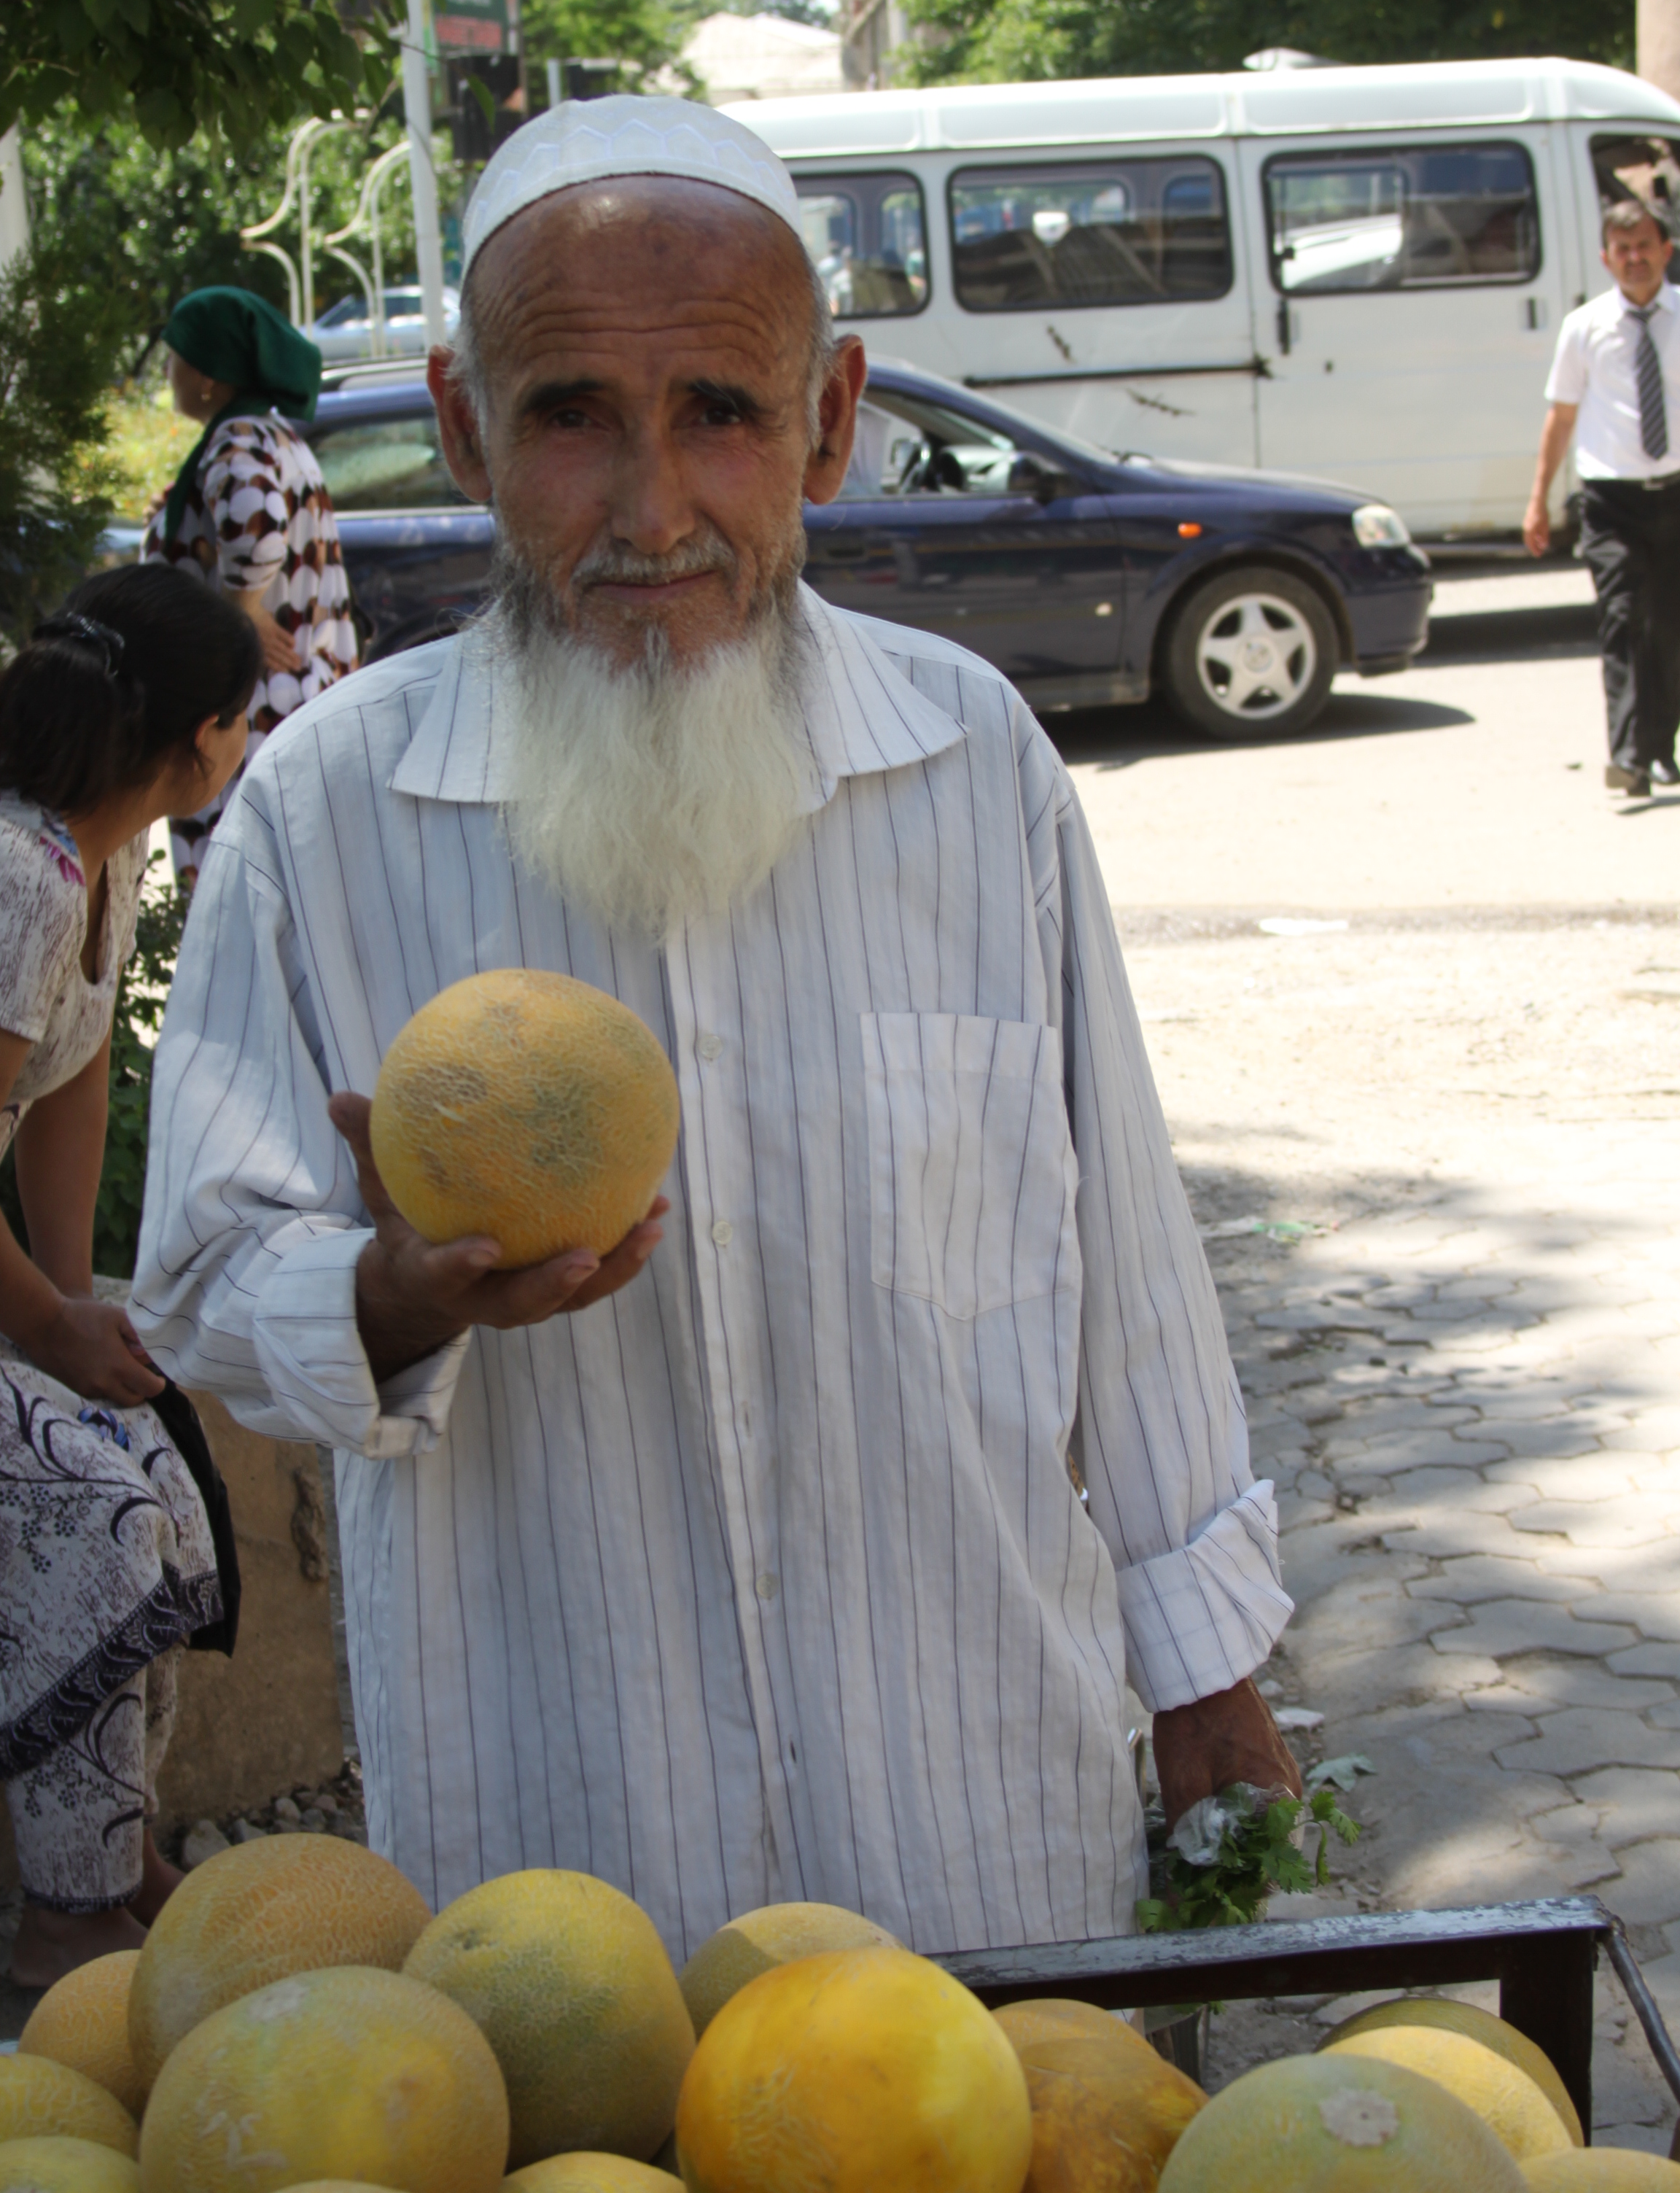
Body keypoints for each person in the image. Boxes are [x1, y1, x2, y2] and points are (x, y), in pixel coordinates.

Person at [133, 99, 1298, 1958]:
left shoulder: (972, 757)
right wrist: (387, 1291)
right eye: (573, 414)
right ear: (464, 428)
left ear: (829, 420)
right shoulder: (324, 811)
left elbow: (1129, 1266)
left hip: (979, 1824)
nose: (653, 508)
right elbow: (198, 1279)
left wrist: (1208, 1676)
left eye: (723, 416)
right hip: (565, 1879)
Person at [1, 562, 257, 1987]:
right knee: (99, 1515)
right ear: (191, 742)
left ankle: (116, 1852)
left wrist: (67, 1310)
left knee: (162, 1484)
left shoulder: (96, 864)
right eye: (242, 718)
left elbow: (70, 1093)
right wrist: (43, 1328)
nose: (246, 743)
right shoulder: (18, 877)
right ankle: (63, 1912)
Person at [144, 284, 359, 881]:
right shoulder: (270, 436)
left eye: (176, 356)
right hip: (286, 707)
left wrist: (241, 609)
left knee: (242, 889)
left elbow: (258, 533)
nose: (169, 371)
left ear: (210, 375)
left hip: (251, 716)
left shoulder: (237, 440)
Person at [1525, 198, 1680, 796]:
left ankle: (1663, 748)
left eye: (1645, 245)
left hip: (1676, 495)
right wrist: (1537, 500)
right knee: (1621, 620)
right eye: (1622, 250)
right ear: (1605, 258)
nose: (1635, 258)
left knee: (1669, 627)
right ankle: (1629, 757)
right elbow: (1561, 418)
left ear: (1666, 249)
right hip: (1611, 500)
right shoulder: (1585, 327)